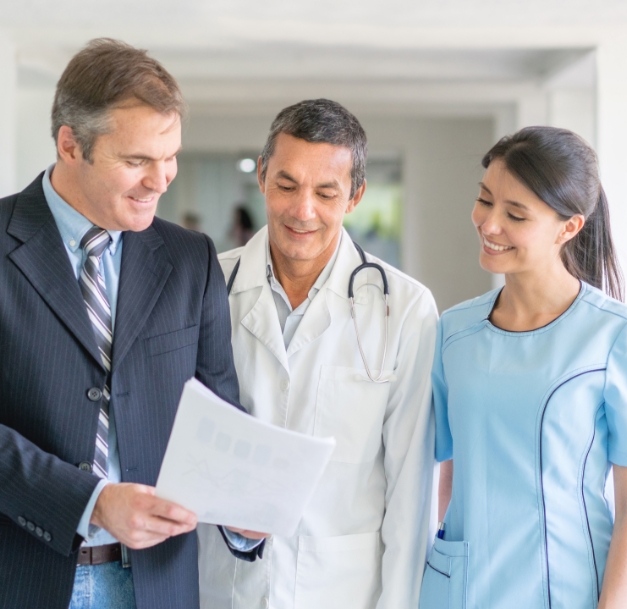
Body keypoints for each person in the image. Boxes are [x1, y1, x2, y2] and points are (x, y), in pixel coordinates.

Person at [0, 38, 263, 609]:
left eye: (169, 156)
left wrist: (244, 512)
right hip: (20, 576)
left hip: (157, 585)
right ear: (71, 145)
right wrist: (89, 501)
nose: (161, 180)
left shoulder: (191, 259)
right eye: (137, 160)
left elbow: (217, 413)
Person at [198, 99, 438, 609]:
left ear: (355, 196)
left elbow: (411, 491)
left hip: (342, 591)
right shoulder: (206, 286)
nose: (302, 210)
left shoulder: (406, 309)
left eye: (326, 192)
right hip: (222, 586)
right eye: (286, 185)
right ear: (262, 176)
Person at [421, 126, 627, 609]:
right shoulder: (454, 331)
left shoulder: (613, 337)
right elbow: (446, 470)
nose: (489, 224)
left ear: (569, 228)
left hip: (568, 588)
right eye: (485, 200)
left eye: (515, 214)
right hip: (459, 586)